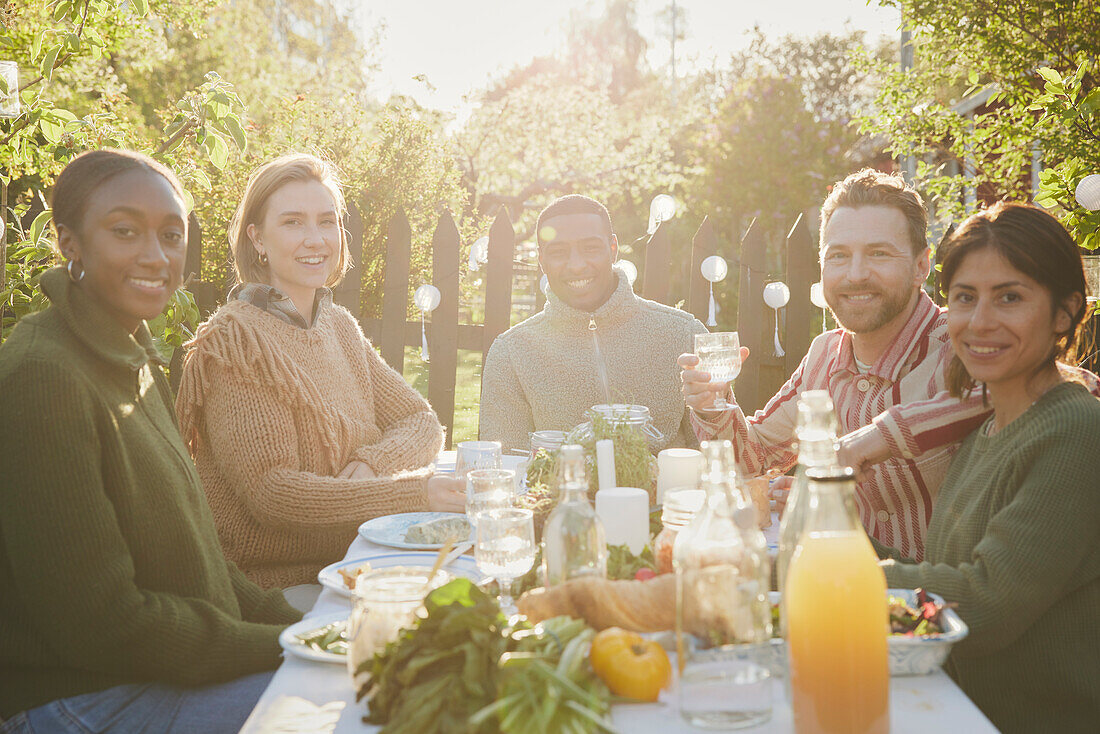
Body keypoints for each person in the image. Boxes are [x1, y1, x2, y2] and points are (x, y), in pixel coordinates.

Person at [0, 149, 300, 734]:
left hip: (154, 671)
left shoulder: (134, 356)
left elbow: (200, 555)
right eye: (124, 231)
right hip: (81, 699)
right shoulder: (44, 377)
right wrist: (277, 647)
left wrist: (290, 625)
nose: (156, 256)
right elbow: (102, 623)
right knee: (354, 704)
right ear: (70, 242)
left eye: (171, 234)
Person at [680, 169, 1099, 561]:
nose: (855, 274)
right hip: (862, 591)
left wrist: (880, 436)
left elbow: (1073, 388)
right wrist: (713, 404)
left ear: (921, 265)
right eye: (839, 256)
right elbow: (755, 458)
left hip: (959, 608)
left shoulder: (967, 340)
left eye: (879, 254)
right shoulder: (825, 354)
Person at [175, 153, 463, 592]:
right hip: (274, 588)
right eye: (293, 223)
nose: (316, 239)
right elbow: (275, 494)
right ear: (257, 239)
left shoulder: (338, 326)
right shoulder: (236, 342)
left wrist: (372, 463)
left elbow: (421, 421)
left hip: (357, 562)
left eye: (327, 222)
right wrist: (415, 493)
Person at [877, 202, 1100, 733]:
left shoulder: (1076, 431)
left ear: (1065, 312)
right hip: (951, 711)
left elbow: (985, 602)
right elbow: (946, 577)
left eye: (1010, 297)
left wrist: (831, 576)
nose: (980, 323)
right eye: (964, 298)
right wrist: (819, 538)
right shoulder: (985, 434)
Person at [480, 194, 708, 452]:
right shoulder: (511, 353)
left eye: (590, 248)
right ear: (541, 261)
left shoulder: (684, 333)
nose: (576, 265)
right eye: (558, 252)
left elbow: (722, 452)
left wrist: (716, 408)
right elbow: (507, 462)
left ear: (613, 249)